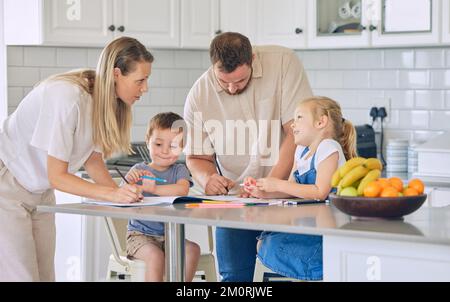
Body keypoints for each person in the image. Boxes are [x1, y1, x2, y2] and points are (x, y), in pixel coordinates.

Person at [0, 36, 154, 281]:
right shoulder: (68, 97)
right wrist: (112, 195)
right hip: (7, 184)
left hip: (40, 190)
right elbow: (57, 175)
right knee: (22, 276)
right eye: (140, 80)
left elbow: (93, 160)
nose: (145, 88)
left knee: (45, 276)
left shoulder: (103, 100)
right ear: (117, 74)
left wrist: (124, 198)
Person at [184, 32, 313, 281]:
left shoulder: (284, 63)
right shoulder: (199, 96)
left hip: (289, 196)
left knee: (282, 276)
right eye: (224, 82)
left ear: (252, 58)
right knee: (233, 278)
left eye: (241, 80)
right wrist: (207, 178)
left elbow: (296, 133)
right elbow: (196, 157)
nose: (232, 87)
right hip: (236, 202)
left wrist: (271, 186)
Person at [244, 96, 357, 280]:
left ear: (321, 122)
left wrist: (278, 183)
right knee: (266, 239)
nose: (292, 124)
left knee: (269, 244)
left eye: (299, 117)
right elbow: (291, 188)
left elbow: (320, 191)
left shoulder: (329, 147)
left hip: (328, 236)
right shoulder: (302, 151)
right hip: (311, 228)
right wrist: (264, 191)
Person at [123, 112, 200, 282]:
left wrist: (155, 188)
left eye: (173, 146)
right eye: (158, 144)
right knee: (156, 256)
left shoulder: (180, 170)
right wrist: (131, 184)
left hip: (171, 237)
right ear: (147, 142)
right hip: (139, 236)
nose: (165, 151)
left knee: (193, 249)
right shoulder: (138, 170)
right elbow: (123, 196)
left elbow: (182, 190)